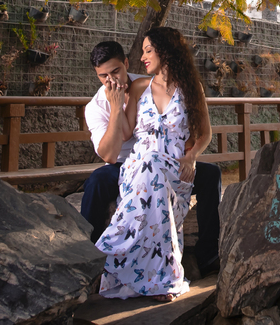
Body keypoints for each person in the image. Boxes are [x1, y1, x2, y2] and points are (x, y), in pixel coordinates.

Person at [81, 36, 219, 296]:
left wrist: (191, 155)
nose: (111, 80)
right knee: (99, 181)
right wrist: (115, 105)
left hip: (169, 162)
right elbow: (111, 152)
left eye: (115, 71)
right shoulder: (97, 106)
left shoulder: (147, 81)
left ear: (125, 64)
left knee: (211, 174)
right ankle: (90, 256)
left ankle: (208, 256)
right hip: (126, 163)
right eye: (103, 76)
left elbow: (202, 131)